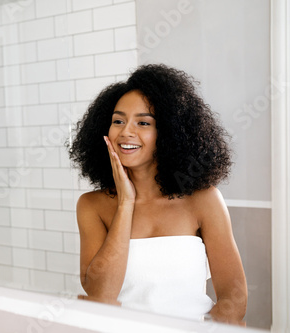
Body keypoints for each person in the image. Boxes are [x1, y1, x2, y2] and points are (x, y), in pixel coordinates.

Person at [69, 64, 247, 324]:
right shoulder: (92, 206)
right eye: (118, 121)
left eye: (143, 122)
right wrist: (125, 204)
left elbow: (235, 297)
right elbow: (100, 294)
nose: (126, 131)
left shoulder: (203, 200)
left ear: (169, 134)